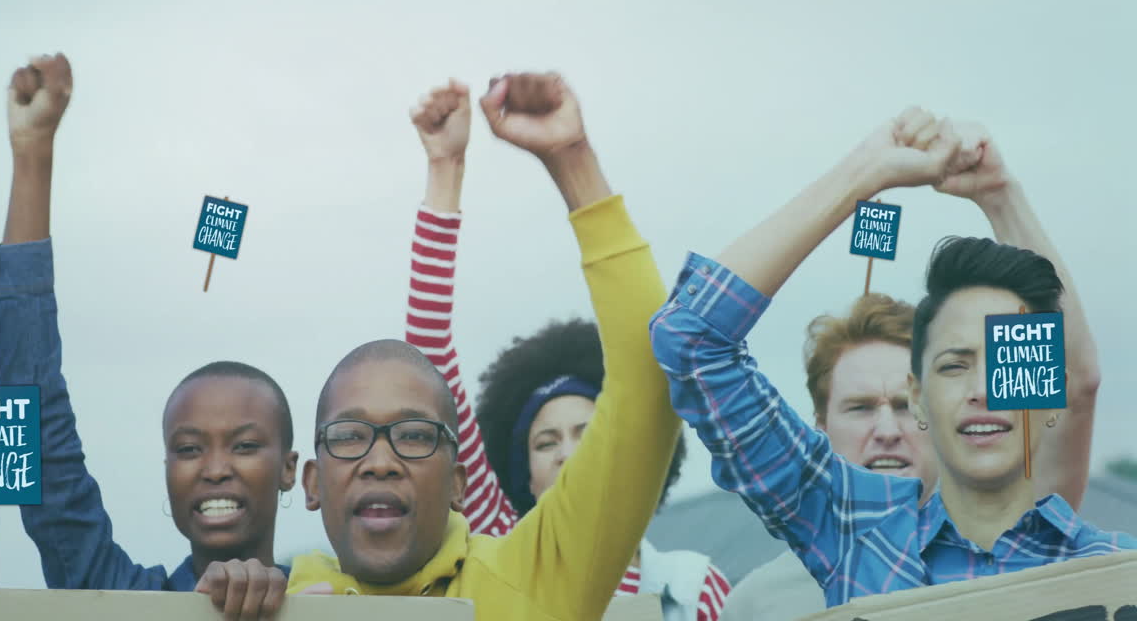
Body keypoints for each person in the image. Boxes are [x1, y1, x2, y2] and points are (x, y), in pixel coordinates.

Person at [649, 107, 1136, 608]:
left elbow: (1078, 382)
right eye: (954, 364)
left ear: (1040, 387)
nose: (982, 388)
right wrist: (867, 171)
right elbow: (692, 335)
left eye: (1004, 364)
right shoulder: (861, 540)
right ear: (921, 397)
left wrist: (998, 194)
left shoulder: (1114, 570)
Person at [283, 72, 683, 621]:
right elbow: (427, 351)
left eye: (415, 436)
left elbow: (649, 378)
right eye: (350, 436)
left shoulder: (532, 577)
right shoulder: (265, 606)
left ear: (458, 483)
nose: (381, 462)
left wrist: (572, 160)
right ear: (311, 482)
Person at [400, 77, 731, 621]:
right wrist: (445, 171)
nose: (567, 453)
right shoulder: (500, 544)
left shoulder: (694, 586)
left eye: (587, 432)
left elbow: (645, 370)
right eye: (545, 441)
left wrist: (574, 157)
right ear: (522, 474)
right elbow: (426, 367)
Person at [0, 54, 300, 621]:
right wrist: (33, 153)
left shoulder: (355, 598)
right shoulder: (114, 599)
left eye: (246, 445)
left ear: (291, 469)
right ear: (165, 468)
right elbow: (35, 423)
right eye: (188, 448)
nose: (214, 467)